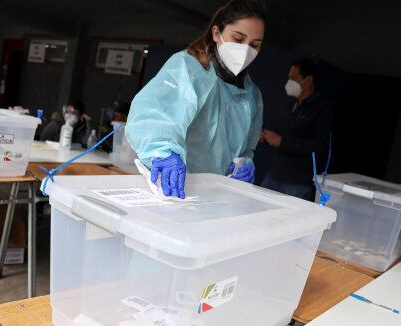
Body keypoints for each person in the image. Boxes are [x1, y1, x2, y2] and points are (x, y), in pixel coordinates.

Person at [125, 0, 266, 199]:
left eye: (254, 45)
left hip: (218, 195)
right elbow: (154, 116)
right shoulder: (189, 70)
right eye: (238, 38)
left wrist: (246, 163)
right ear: (217, 34)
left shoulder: (251, 95)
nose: (246, 50)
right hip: (175, 188)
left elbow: (246, 147)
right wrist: (164, 152)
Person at [259, 58, 333, 200]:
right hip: (274, 175)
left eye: (293, 78)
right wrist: (266, 136)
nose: (289, 82)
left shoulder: (322, 108)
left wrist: (282, 141)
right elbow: (279, 134)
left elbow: (319, 145)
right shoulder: (290, 106)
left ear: (308, 80)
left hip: (298, 183)